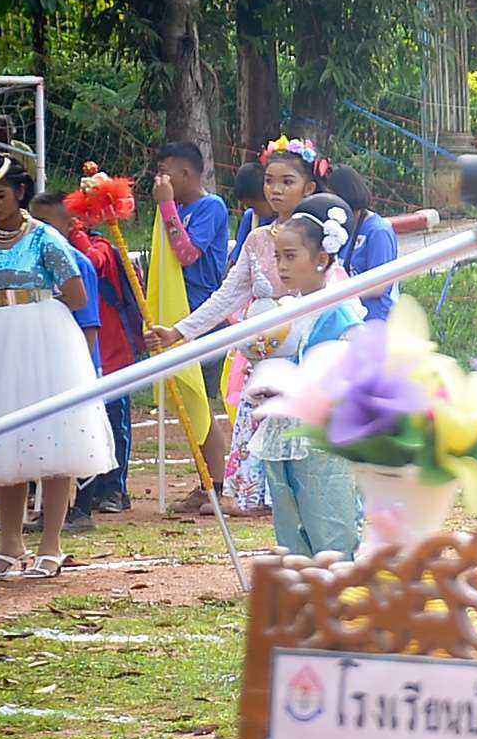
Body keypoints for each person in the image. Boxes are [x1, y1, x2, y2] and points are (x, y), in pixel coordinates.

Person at [0, 152, 116, 578]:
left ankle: (51, 545)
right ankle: (10, 544)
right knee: (3, 438)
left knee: (53, 437)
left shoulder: (45, 238)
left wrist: (37, 310)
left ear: (20, 192)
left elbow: (78, 295)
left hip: (42, 339)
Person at [151, 137, 326, 516]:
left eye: (287, 181)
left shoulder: (324, 239)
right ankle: (255, 494)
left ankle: (299, 495)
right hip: (261, 355)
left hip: (306, 354)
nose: (276, 190)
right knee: (257, 418)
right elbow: (227, 296)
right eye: (270, 181)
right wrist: (179, 332)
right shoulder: (257, 239)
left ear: (309, 188)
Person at [245, 195, 367, 558]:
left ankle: (338, 585)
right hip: (283, 432)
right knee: (290, 525)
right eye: (277, 257)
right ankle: (301, 587)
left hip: (324, 439)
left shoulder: (341, 315)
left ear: (322, 259)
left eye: (290, 256)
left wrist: (296, 390)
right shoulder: (286, 312)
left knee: (330, 526)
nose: (281, 266)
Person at [32, 192, 142, 524]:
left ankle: (114, 488)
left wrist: (75, 234)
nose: (37, 230)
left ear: (73, 223)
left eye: (45, 223)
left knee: (111, 420)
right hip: (63, 350)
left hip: (109, 350)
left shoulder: (96, 247)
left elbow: (94, 264)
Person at [152, 140, 233, 511]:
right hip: (178, 319)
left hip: (203, 318)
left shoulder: (211, 207)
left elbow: (186, 254)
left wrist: (167, 206)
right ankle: (207, 481)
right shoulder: (178, 208)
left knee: (200, 402)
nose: (160, 179)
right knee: (189, 401)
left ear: (185, 173)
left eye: (165, 172)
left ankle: (214, 483)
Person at [326, 165, 399, 322]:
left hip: (376, 321)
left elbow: (379, 286)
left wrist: (337, 294)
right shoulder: (342, 228)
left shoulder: (378, 231)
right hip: (349, 317)